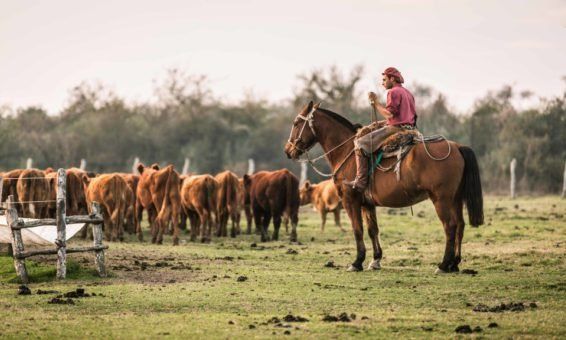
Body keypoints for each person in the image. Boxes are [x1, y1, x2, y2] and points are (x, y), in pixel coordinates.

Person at [344, 67, 417, 192]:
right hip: (410, 128)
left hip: (396, 129)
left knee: (360, 143)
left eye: (384, 80)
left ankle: (360, 181)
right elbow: (408, 116)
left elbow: (389, 114)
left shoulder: (393, 92)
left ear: (392, 79)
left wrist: (376, 102)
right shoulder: (408, 93)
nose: (382, 83)